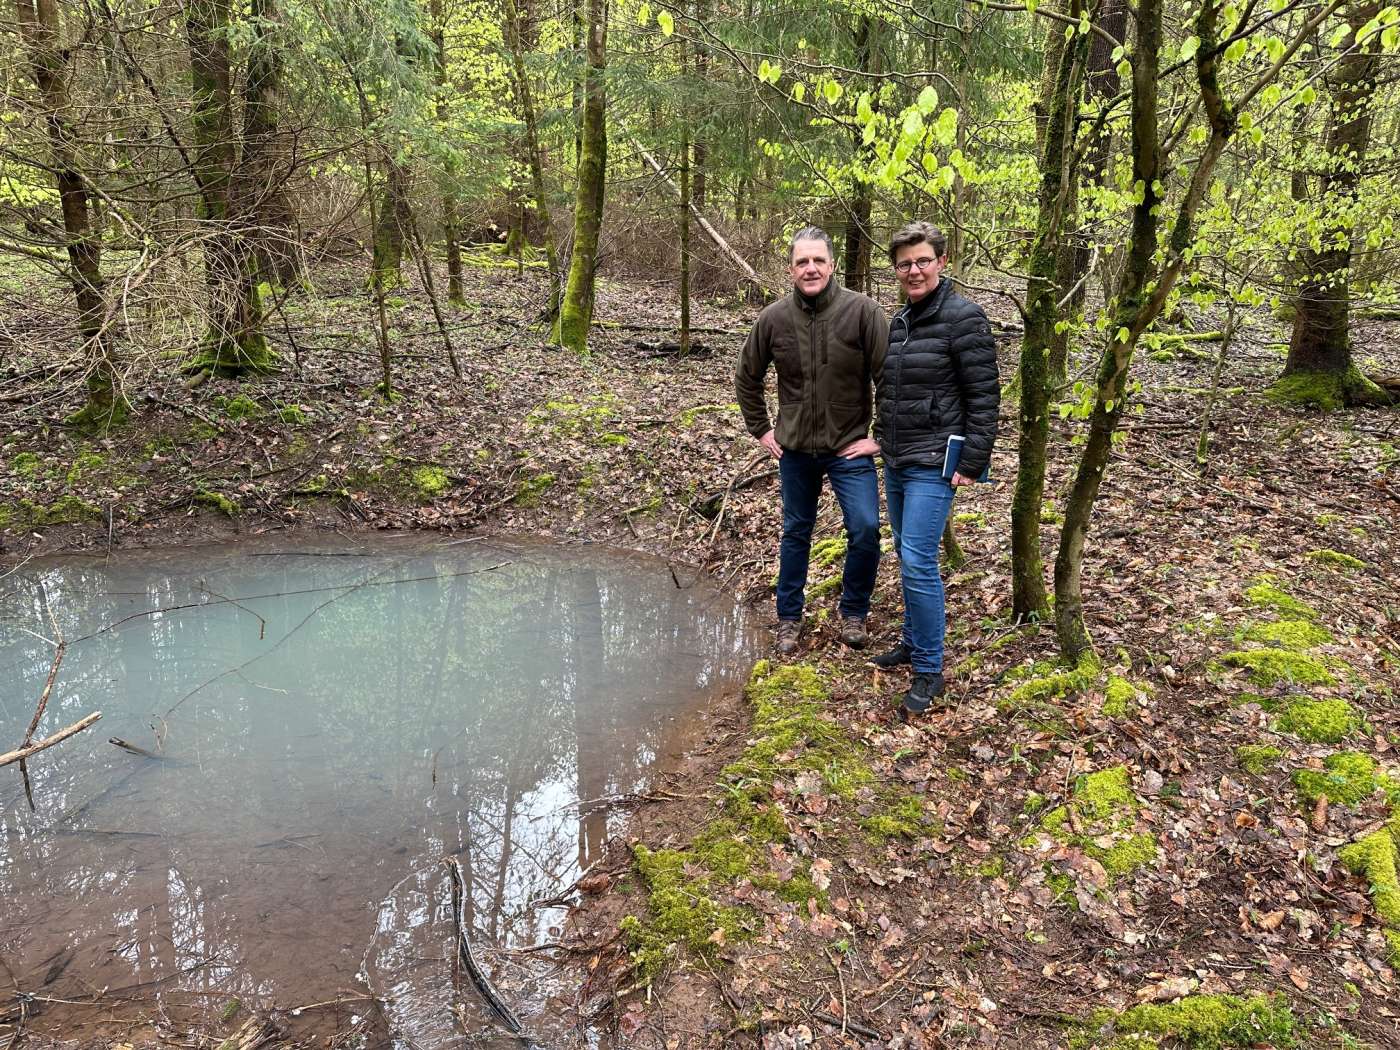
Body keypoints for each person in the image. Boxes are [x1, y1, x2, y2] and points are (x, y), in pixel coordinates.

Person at [735, 227, 890, 655]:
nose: (811, 268)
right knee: (795, 532)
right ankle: (788, 619)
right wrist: (761, 429)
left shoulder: (864, 312)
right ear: (791, 269)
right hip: (795, 449)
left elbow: (890, 379)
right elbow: (747, 378)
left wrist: (880, 437)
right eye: (802, 261)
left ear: (832, 265)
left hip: (849, 446)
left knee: (865, 528)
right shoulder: (774, 319)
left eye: (818, 260)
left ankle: (854, 610)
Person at [871, 221, 999, 719]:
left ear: (942, 262)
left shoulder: (964, 317)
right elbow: (892, 392)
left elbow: (984, 395)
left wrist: (972, 460)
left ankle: (929, 669)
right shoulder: (900, 322)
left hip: (934, 463)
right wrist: (880, 441)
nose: (914, 270)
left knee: (919, 559)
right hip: (899, 459)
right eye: (905, 264)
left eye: (923, 260)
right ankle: (912, 641)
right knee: (905, 552)